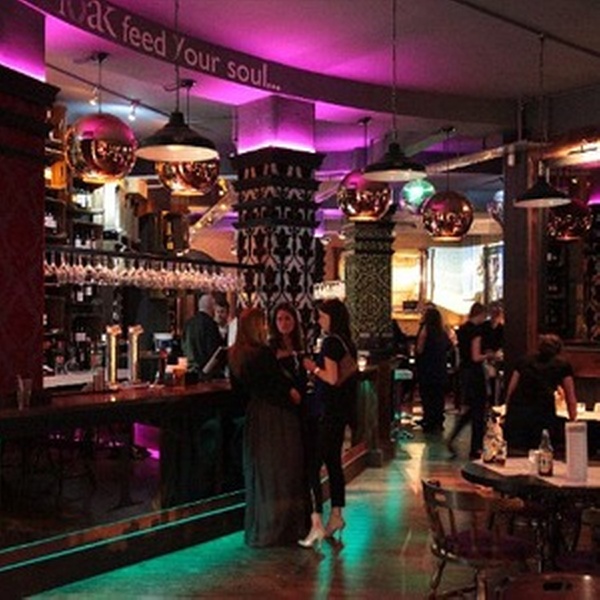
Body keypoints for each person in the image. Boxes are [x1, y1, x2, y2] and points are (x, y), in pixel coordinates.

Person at [228, 307, 307, 547]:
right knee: (282, 472)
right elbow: (279, 387)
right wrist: (294, 394)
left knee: (260, 474)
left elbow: (238, 392)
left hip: (255, 416)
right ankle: (280, 530)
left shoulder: (235, 354)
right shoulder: (262, 354)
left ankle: (260, 529)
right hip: (277, 417)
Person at [301, 298, 357, 548]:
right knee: (334, 464)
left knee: (312, 466)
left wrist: (313, 368)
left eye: (322, 316)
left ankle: (316, 523)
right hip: (341, 411)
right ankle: (336, 515)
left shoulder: (331, 342)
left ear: (332, 318)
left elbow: (332, 378)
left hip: (328, 411)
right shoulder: (347, 342)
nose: (319, 320)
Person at [504, 334, 578, 451]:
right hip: (542, 412)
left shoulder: (523, 361)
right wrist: (573, 419)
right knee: (541, 449)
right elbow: (570, 397)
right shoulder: (562, 365)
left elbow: (511, 388)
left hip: (519, 410)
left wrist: (508, 410)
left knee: (516, 450)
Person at [446, 302, 489, 459]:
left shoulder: (462, 329)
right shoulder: (476, 331)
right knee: (478, 410)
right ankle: (476, 447)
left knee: (470, 409)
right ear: (481, 314)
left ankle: (454, 436)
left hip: (464, 371)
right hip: (475, 372)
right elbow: (476, 356)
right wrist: (490, 355)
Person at [415, 306, 452, 433]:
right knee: (438, 397)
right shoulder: (443, 332)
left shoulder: (425, 330)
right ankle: (438, 421)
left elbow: (419, 349)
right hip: (440, 368)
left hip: (427, 368)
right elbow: (450, 346)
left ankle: (429, 421)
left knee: (427, 396)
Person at [182, 293, 224, 376]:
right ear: (212, 307)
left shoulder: (188, 324)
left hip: (190, 371)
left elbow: (183, 347)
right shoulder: (211, 325)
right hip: (207, 373)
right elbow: (214, 352)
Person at [481, 302, 505, 405]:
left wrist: (498, 352)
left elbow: (503, 344)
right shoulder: (484, 327)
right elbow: (481, 342)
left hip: (496, 357)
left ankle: (494, 402)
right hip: (484, 356)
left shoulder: (502, 328)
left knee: (496, 380)